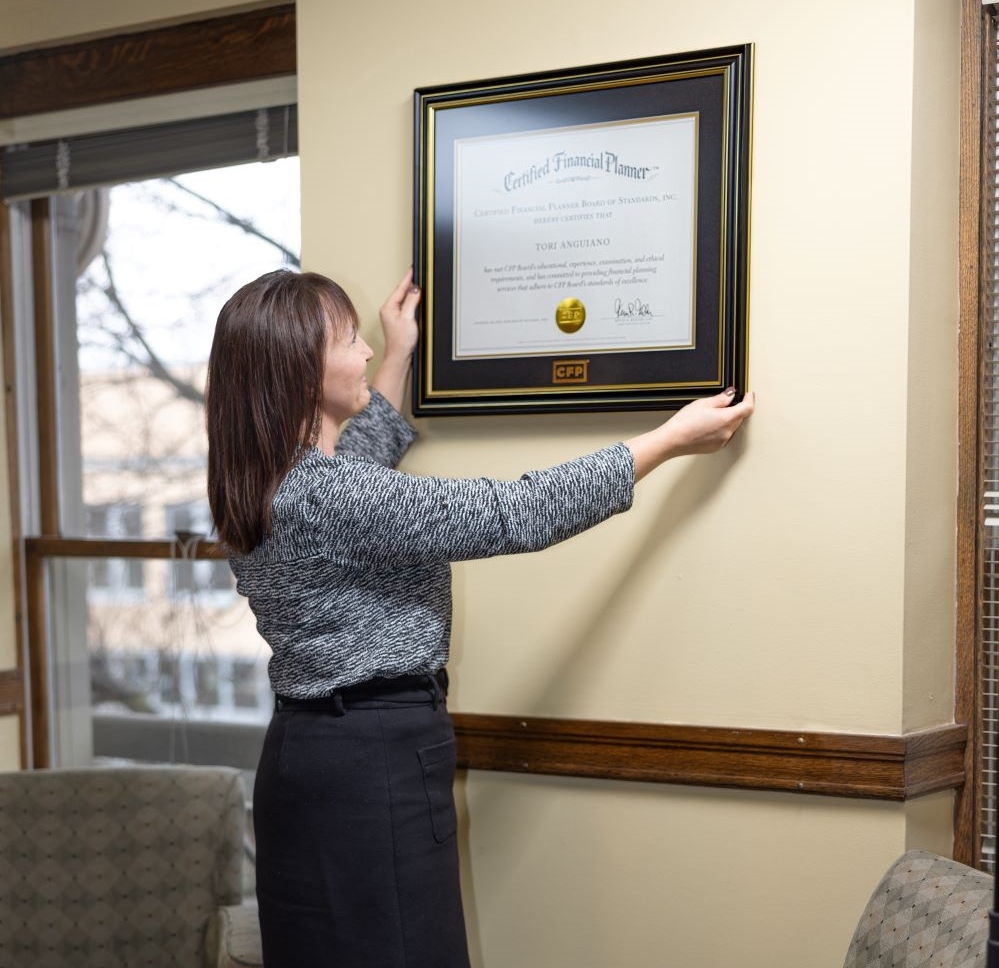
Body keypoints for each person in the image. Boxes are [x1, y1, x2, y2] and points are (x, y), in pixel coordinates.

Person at [204, 266, 755, 968]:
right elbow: (514, 513)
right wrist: (666, 440)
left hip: (308, 758)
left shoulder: (272, 483)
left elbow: (364, 461)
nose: (364, 351)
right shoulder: (326, 498)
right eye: (348, 341)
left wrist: (400, 349)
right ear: (298, 372)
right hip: (372, 762)